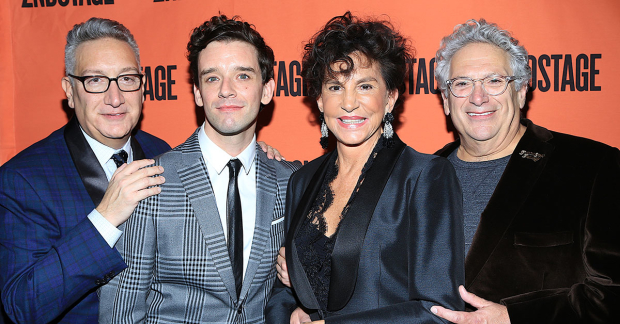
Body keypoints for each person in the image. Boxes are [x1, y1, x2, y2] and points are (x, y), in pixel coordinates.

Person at [98, 15, 301, 323]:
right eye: (212, 78)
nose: (226, 90)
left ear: (267, 90)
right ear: (196, 93)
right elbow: (121, 312)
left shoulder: (290, 181)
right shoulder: (148, 183)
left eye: (243, 76)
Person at [266, 12, 465, 323]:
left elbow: (438, 310)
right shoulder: (302, 181)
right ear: (319, 100)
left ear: (390, 98)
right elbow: (282, 290)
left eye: (365, 86)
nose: (348, 102)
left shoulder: (426, 177)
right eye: (334, 87)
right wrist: (291, 313)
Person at [428, 19, 620, 324]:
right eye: (462, 83)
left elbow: (614, 293)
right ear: (446, 100)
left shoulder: (591, 166)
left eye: (494, 81)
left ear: (520, 91)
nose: (478, 97)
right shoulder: (417, 178)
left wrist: (515, 317)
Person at [0, 18, 171, 323]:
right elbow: (22, 306)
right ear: (69, 90)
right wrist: (105, 219)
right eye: (95, 80)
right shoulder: (23, 179)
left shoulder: (162, 152)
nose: (115, 97)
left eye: (127, 79)